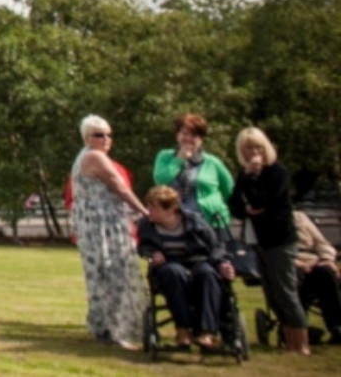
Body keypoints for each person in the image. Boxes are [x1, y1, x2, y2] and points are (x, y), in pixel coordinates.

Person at [68, 115, 147, 351]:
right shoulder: (94, 157)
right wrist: (144, 212)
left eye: (108, 134)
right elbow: (120, 187)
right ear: (87, 138)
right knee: (114, 272)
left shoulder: (86, 156)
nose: (106, 139)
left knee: (101, 274)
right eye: (99, 135)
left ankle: (104, 326)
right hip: (102, 225)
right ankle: (114, 329)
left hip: (96, 223)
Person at [229, 127, 309, 355]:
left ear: (266, 148)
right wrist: (247, 190)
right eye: (249, 149)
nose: (254, 153)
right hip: (258, 240)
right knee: (271, 293)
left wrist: (251, 183)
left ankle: (301, 343)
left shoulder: (278, 172)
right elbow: (236, 204)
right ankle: (287, 338)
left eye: (258, 148)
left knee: (286, 291)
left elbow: (261, 199)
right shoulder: (244, 175)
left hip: (279, 240)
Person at [138, 185, 237, 349]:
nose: (149, 211)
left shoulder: (195, 221)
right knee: (173, 272)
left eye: (154, 207)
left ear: (170, 209)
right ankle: (183, 329)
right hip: (169, 266)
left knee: (207, 274)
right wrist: (153, 252)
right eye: (149, 206)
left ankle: (207, 332)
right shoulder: (146, 225)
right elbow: (143, 246)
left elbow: (216, 246)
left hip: (199, 261)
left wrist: (221, 263)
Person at [153, 112, 235, 234]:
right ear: (177, 135)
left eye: (194, 135)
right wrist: (179, 159)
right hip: (176, 222)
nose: (188, 138)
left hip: (211, 221)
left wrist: (217, 206)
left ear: (201, 139)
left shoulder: (213, 162)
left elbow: (229, 190)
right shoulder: (165, 156)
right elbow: (161, 180)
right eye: (184, 133)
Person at [293, 209, 341, 346]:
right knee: (294, 279)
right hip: (289, 262)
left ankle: (337, 326)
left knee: (327, 274)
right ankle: (301, 328)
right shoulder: (265, 220)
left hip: (314, 260)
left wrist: (327, 259)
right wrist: (297, 263)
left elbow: (322, 243)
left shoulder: (299, 217)